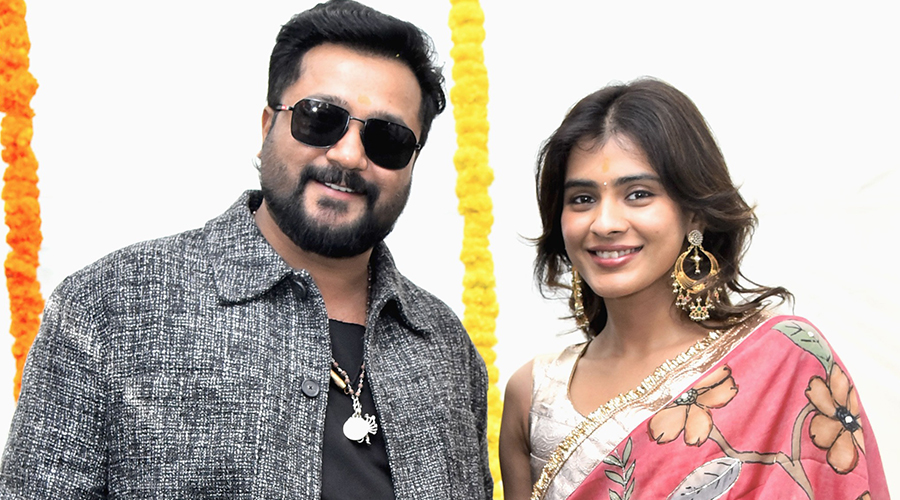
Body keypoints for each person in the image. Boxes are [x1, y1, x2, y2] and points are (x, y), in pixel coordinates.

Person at [0, 1, 492, 498]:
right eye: (320, 118)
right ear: (266, 127)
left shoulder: (448, 348)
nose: (348, 154)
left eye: (388, 139)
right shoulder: (110, 306)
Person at [498, 78, 890, 500]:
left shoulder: (782, 363)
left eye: (638, 194)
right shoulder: (534, 395)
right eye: (581, 199)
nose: (605, 223)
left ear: (694, 215)